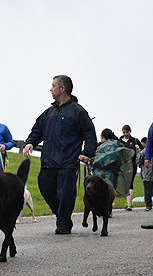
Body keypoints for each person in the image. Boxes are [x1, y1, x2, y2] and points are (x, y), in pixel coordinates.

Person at [23, 75, 97, 234]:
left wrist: (87, 153)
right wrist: (30, 142)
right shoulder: (48, 112)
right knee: (45, 186)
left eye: (53, 86)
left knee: (65, 193)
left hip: (68, 162)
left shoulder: (78, 112)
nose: (51, 89)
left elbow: (90, 134)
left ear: (62, 89)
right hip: (48, 161)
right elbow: (37, 131)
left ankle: (63, 223)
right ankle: (62, 216)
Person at [91, 128, 134, 198]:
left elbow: (102, 159)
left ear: (102, 136)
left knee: (100, 195)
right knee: (108, 195)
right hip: (112, 175)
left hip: (102, 173)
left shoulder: (106, 145)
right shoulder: (115, 144)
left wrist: (93, 162)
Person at [119, 125, 143, 211]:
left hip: (132, 165)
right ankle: (126, 200)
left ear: (130, 132)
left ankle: (128, 202)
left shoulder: (134, 141)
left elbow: (143, 150)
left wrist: (139, 148)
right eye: (124, 132)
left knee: (130, 182)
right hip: (122, 165)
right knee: (123, 183)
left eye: (127, 132)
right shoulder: (119, 141)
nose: (125, 134)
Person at [136, 137, 153, 211]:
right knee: (148, 189)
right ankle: (148, 204)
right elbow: (138, 159)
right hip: (147, 172)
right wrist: (141, 165)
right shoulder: (145, 151)